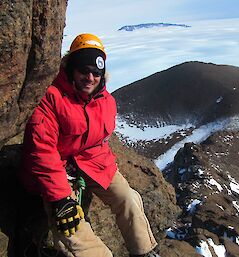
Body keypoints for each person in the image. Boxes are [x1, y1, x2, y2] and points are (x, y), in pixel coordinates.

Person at [20, 33, 160, 257]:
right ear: (71, 68)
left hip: (92, 162)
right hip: (58, 169)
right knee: (71, 226)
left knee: (129, 198)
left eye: (96, 73)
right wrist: (61, 197)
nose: (90, 77)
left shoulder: (106, 101)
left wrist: (108, 170)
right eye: (83, 70)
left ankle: (145, 252)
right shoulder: (52, 97)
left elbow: (100, 142)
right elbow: (42, 150)